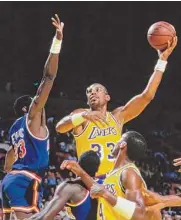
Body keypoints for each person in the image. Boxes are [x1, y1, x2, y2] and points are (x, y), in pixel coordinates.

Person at [56, 37, 177, 176]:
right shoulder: (82, 115)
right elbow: (60, 127)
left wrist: (162, 61)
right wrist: (81, 116)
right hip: (89, 180)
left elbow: (147, 96)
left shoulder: (117, 116)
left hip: (112, 180)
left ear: (107, 97)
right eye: (89, 92)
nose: (92, 93)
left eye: (97, 90)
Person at [2, 14, 64, 220]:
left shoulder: (14, 129)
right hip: (25, 179)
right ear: (25, 109)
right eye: (34, 101)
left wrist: (10, 176)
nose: (40, 102)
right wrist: (57, 41)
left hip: (10, 180)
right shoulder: (32, 116)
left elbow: (8, 160)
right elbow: (49, 77)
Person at [61, 131, 181, 220]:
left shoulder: (129, 173)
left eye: (118, 140)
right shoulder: (115, 174)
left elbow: (139, 213)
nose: (115, 142)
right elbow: (99, 188)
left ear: (122, 145)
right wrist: (81, 172)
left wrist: (106, 194)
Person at [28, 150, 101, 220]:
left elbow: (46, 216)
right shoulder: (104, 184)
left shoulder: (71, 187)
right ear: (97, 169)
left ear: (78, 165)